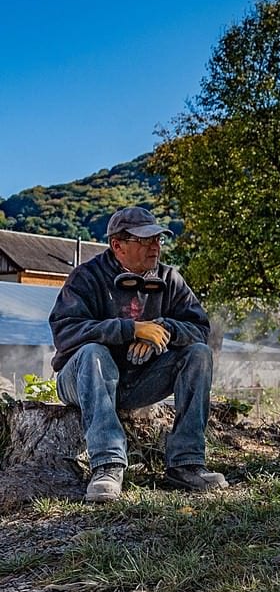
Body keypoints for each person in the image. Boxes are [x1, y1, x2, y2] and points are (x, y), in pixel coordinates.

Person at [49, 206, 227, 503]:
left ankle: (186, 464)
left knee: (198, 354)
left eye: (158, 239)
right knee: (93, 352)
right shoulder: (86, 278)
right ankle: (107, 465)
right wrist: (131, 329)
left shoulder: (170, 279)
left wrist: (161, 328)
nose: (155, 246)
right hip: (82, 379)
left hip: (138, 380)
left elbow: (199, 329)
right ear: (117, 245)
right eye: (145, 240)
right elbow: (66, 332)